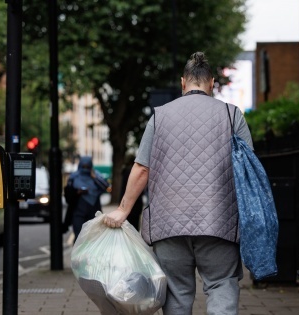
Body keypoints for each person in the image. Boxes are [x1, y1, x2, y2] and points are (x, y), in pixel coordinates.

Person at [104, 51, 254, 315]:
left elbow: (141, 169)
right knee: (221, 286)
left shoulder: (159, 117)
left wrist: (123, 210)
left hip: (168, 224)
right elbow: (248, 170)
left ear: (183, 82)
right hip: (219, 221)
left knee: (176, 293)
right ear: (211, 83)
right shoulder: (232, 116)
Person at [67, 156, 110, 242]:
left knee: (93, 238)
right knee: (79, 237)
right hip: (78, 212)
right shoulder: (74, 177)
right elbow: (68, 193)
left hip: (93, 213)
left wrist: (94, 177)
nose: (85, 169)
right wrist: (77, 192)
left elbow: (106, 186)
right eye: (83, 167)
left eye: (88, 167)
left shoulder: (96, 175)